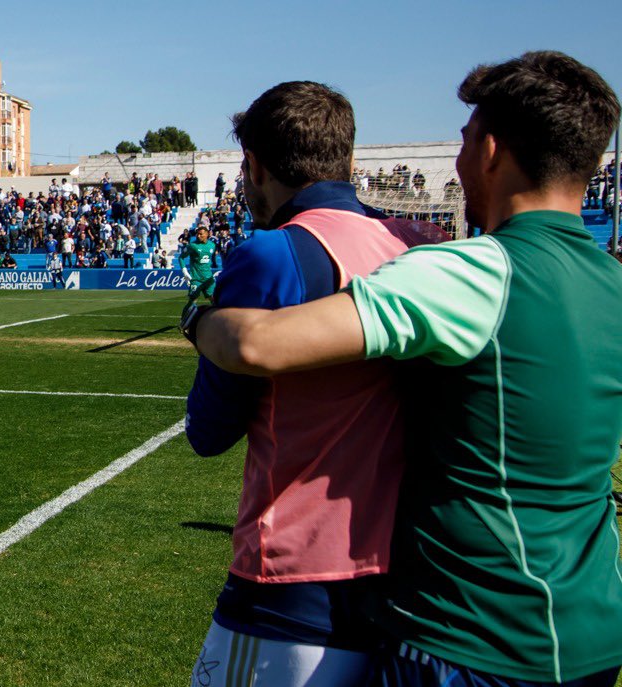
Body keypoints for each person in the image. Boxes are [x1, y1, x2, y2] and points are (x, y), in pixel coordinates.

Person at [190, 51, 622, 686]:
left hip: (474, 632)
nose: (458, 159)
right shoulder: (611, 281)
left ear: (492, 150)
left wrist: (200, 320)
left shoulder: (470, 271)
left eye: (466, 140)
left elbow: (259, 346)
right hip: (591, 628)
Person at [178, 80, 447, 687]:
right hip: (408, 576)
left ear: (253, 165)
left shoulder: (272, 253)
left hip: (294, 583)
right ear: (349, 161)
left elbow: (209, 430)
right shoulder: (418, 243)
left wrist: (203, 323)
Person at [178, 224, 218, 299]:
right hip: (196, 278)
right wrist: (185, 272)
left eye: (200, 234)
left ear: (207, 234)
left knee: (214, 301)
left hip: (208, 278)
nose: (198, 236)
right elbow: (181, 257)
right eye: (197, 234)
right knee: (192, 301)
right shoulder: (192, 245)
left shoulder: (212, 245)